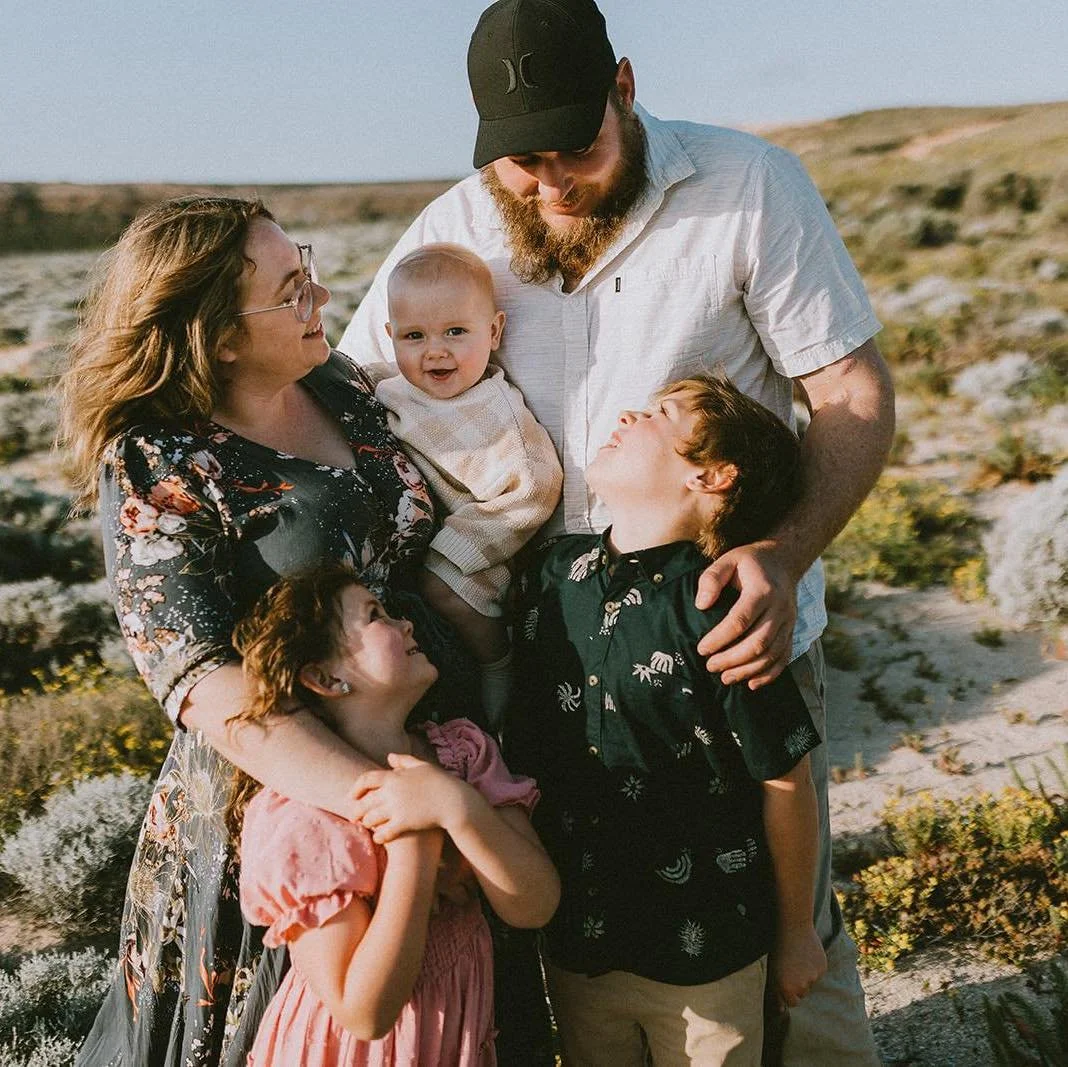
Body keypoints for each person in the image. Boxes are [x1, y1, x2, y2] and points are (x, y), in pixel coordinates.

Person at [338, 2, 895, 1060]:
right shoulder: (451, 230)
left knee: (789, 913)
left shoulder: (751, 187)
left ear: (625, 89)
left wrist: (785, 551)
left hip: (731, 624)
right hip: (543, 647)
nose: (550, 186)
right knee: (587, 916)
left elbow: (852, 389)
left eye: (574, 150)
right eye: (520, 164)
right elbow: (351, 391)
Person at [57, 196, 480, 1066]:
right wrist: (390, 812)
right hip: (292, 810)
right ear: (218, 336)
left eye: (309, 267)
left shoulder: (338, 382)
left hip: (420, 746)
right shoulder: (160, 460)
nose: (320, 297)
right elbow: (203, 681)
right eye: (291, 290)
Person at [507, 374, 825, 1064]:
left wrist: (798, 931)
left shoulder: (723, 608)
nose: (629, 412)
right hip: (580, 944)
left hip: (713, 950)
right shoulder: (553, 576)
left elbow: (785, 781)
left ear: (712, 475)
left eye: (660, 414)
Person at [229, 566, 559, 1065]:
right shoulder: (300, 816)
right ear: (326, 678)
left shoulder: (461, 754)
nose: (407, 624)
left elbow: (534, 906)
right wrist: (417, 843)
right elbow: (364, 1014)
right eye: (375, 615)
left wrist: (458, 806)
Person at [375, 243, 563, 726]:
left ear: (494, 331)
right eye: (414, 336)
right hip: (412, 540)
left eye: (456, 332)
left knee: (444, 593)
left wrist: (452, 549)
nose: (436, 351)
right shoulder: (393, 387)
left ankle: (496, 663)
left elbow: (535, 489)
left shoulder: (499, 415)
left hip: (479, 548)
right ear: (390, 337)